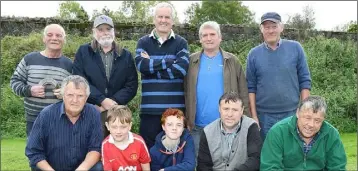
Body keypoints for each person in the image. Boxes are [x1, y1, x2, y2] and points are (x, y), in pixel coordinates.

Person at [184, 21, 250, 156]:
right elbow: (184, 91)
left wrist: (246, 119)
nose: (209, 38)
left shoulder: (232, 61)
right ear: (200, 39)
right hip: (197, 126)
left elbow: (243, 92)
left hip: (227, 125)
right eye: (205, 35)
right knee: (201, 164)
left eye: (212, 34)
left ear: (220, 37)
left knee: (226, 163)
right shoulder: (191, 61)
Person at [246, 12, 312, 140]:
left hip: (292, 113)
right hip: (264, 117)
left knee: (292, 154)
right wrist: (254, 116)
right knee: (267, 155)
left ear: (281, 27)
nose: (270, 30)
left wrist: (303, 111)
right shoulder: (253, 54)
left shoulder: (296, 48)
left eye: (274, 26)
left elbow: (305, 81)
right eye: (266, 27)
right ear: (261, 30)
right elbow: (251, 88)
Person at [73, 14, 138, 139]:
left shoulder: (126, 55)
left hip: (118, 114)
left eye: (108, 29)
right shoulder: (83, 52)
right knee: (91, 149)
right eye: (100, 29)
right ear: (94, 32)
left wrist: (113, 103)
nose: (105, 33)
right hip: (91, 110)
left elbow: (132, 85)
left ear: (114, 31)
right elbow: (79, 81)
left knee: (118, 151)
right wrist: (101, 100)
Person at [135, 2, 189, 149]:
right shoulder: (143, 42)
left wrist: (152, 64)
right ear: (154, 19)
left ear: (172, 20)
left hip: (175, 113)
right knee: (149, 154)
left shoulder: (181, 43)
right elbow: (141, 66)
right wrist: (169, 61)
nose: (163, 20)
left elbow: (181, 70)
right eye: (160, 16)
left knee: (175, 154)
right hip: (149, 112)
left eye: (167, 17)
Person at [25, 75, 103, 171]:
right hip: (51, 168)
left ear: (86, 97)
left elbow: (95, 148)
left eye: (80, 96)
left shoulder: (94, 113)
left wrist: (82, 169)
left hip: (82, 168)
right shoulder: (46, 114)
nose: (75, 100)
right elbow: (33, 151)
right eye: (70, 95)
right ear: (63, 95)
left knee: (99, 167)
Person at [10, 24, 72, 137]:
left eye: (59, 35)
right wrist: (29, 90)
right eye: (50, 35)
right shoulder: (29, 59)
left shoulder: (69, 65)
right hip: (33, 119)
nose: (54, 38)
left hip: (59, 119)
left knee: (58, 153)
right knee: (35, 152)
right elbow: (14, 81)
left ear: (64, 40)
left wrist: (65, 93)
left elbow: (76, 91)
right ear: (44, 38)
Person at [260, 95, 347, 170]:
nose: (311, 124)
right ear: (297, 113)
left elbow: (337, 167)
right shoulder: (277, 132)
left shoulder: (331, 134)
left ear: (323, 119)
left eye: (317, 120)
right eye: (307, 118)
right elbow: (270, 167)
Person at [197, 92, 262, 171]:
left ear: (242, 111)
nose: (230, 114)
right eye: (226, 109)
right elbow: (203, 165)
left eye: (235, 110)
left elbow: (255, 159)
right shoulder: (207, 131)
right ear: (219, 109)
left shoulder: (251, 127)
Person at [102, 105, 151, 171]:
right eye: (114, 127)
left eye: (123, 127)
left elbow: (146, 166)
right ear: (107, 126)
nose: (118, 131)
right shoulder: (105, 145)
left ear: (130, 126)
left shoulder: (139, 142)